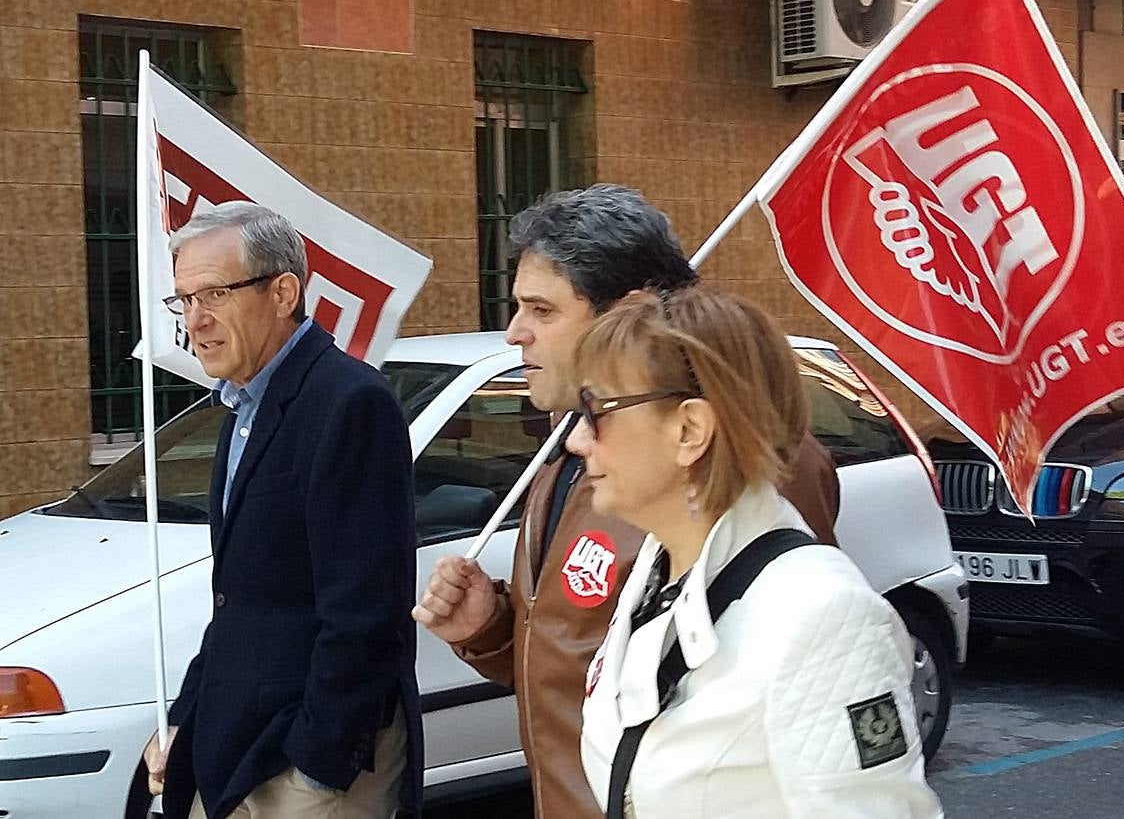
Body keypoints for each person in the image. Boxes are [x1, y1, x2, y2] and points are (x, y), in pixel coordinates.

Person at [413, 184, 840, 818]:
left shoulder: (746, 462)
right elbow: (592, 670)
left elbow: (788, 708)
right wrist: (492, 630)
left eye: (542, 310)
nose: (514, 334)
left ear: (629, 310)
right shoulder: (566, 448)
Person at [570, 286, 942, 817]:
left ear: (689, 430)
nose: (577, 440)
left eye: (596, 409)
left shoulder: (823, 616)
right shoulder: (660, 568)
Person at [142, 203, 423, 819]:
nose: (196, 321)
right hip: (241, 748)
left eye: (214, 293)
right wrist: (184, 719)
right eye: (184, 300)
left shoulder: (349, 403)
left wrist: (319, 764)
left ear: (283, 292)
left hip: (315, 765)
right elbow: (239, 602)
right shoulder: (240, 411)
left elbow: (365, 612)